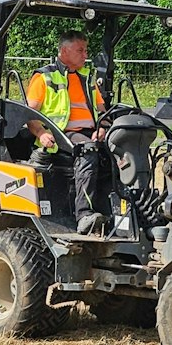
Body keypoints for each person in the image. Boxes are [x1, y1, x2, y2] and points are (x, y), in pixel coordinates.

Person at [25, 31, 110, 234]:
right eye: (80, 50)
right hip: (59, 136)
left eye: (86, 50)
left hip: (89, 133)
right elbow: (28, 114)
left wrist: (104, 128)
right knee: (87, 150)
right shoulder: (45, 77)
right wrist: (41, 134)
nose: (85, 54)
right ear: (64, 51)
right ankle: (83, 215)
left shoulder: (87, 78)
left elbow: (103, 112)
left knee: (122, 147)